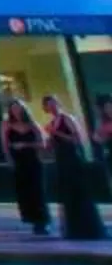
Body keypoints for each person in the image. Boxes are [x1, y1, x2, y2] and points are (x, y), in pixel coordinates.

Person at [41, 96, 105, 243]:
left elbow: (76, 139)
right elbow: (50, 147)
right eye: (49, 106)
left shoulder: (67, 118)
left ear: (58, 104)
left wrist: (56, 133)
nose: (52, 108)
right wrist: (49, 139)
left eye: (54, 104)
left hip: (73, 159)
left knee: (78, 191)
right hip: (61, 160)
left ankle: (88, 228)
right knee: (66, 193)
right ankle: (72, 228)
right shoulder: (51, 123)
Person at [2, 97, 51, 236]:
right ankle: (31, 218)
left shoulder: (32, 125)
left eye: (19, 108)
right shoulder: (6, 125)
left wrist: (26, 145)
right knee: (24, 191)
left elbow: (43, 144)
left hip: (33, 160)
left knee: (38, 191)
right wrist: (9, 160)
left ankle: (42, 222)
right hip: (18, 161)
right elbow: (5, 145)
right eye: (13, 109)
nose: (16, 111)